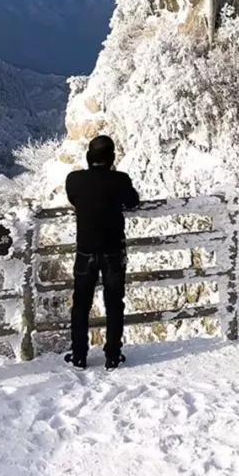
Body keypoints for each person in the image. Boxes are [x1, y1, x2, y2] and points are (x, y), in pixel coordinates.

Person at [64, 135, 140, 370]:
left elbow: (74, 199)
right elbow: (133, 202)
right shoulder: (120, 180)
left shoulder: (74, 180)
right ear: (111, 158)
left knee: (81, 305)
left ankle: (79, 355)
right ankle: (112, 354)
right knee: (114, 303)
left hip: (85, 250)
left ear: (89, 157)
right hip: (113, 251)